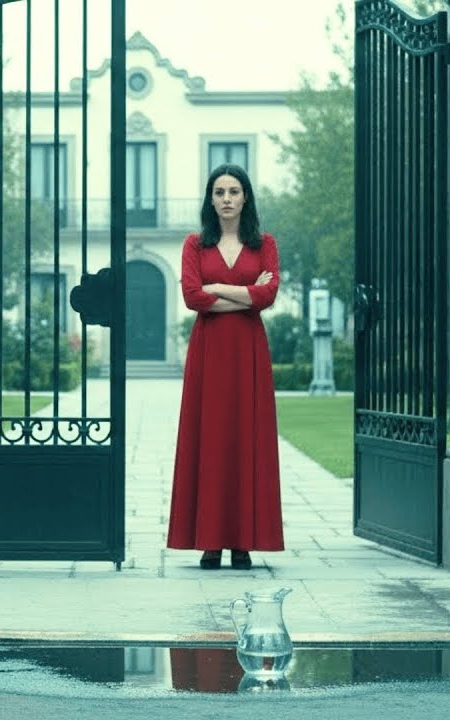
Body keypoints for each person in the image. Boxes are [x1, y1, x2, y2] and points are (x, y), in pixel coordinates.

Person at [166, 164, 283, 570]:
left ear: (246, 197)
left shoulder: (264, 243)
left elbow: (268, 296)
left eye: (234, 191)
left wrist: (217, 287)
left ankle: (243, 543)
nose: (227, 198)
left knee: (246, 439)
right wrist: (244, 294)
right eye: (220, 192)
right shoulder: (194, 245)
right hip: (210, 352)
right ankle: (210, 542)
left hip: (249, 353)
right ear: (210, 199)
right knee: (211, 439)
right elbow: (193, 298)